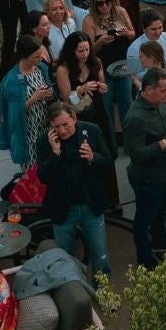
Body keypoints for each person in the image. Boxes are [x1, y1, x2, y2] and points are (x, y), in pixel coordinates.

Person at [37, 104, 113, 282]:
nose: (62, 131)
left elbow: (108, 160)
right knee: (64, 255)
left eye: (65, 124)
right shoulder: (43, 141)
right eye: (56, 127)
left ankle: (103, 290)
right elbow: (43, 177)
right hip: (63, 208)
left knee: (100, 252)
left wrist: (93, 157)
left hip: (91, 204)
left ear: (74, 118)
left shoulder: (92, 131)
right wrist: (54, 153)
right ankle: (71, 289)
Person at [123, 69, 166, 268]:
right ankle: (144, 257)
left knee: (161, 209)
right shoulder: (136, 118)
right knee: (144, 219)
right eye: (164, 90)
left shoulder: (156, 104)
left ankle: (160, 240)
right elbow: (136, 154)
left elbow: (160, 135)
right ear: (149, 89)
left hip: (162, 173)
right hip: (147, 178)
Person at [0, 33, 53, 169]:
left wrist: (50, 94)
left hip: (46, 127)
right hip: (28, 133)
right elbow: (13, 114)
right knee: (32, 171)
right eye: (36, 57)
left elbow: (51, 93)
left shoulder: (42, 69)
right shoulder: (12, 81)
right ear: (23, 56)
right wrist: (34, 98)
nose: (40, 59)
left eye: (41, 55)